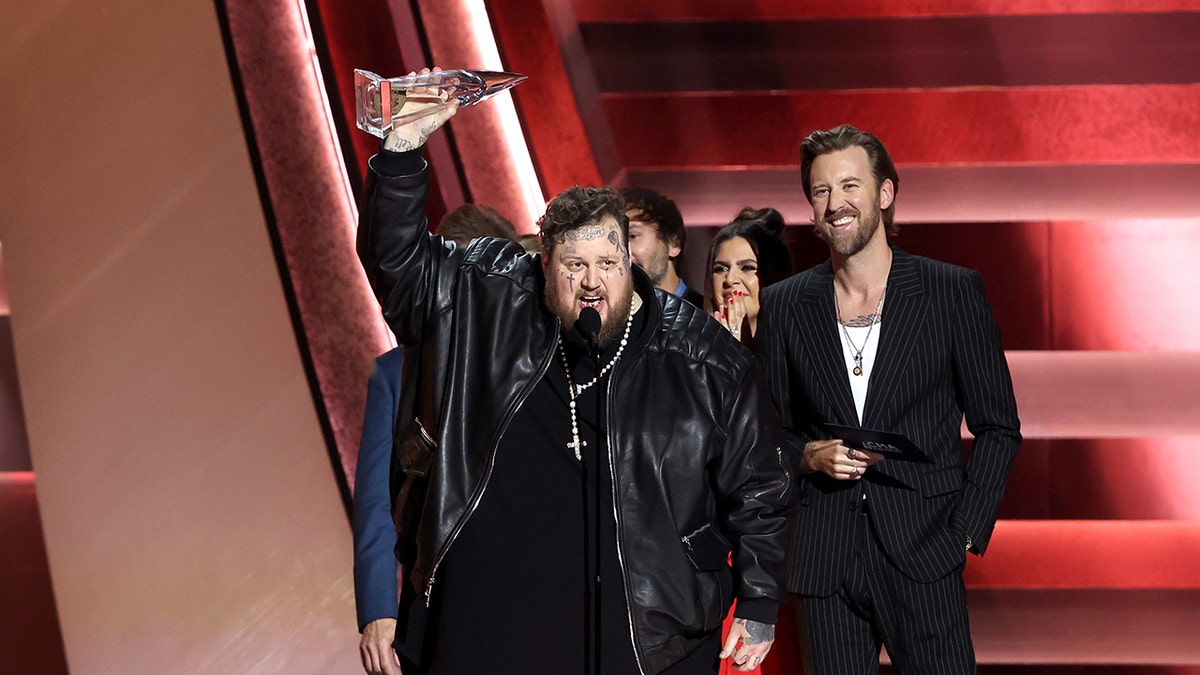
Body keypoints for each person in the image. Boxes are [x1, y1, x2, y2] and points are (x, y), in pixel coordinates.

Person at [356, 70, 791, 674]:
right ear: (542, 262)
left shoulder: (702, 357)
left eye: (608, 262)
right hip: (491, 627)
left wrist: (760, 599)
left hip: (647, 629)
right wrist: (401, 156)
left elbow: (760, 485)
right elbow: (399, 264)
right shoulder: (490, 304)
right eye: (573, 264)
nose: (592, 282)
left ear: (629, 260)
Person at [756, 124, 1021, 674]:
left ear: (884, 194)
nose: (836, 204)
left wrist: (966, 528)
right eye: (822, 191)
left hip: (925, 549)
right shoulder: (784, 305)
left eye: (850, 186)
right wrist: (809, 455)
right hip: (824, 561)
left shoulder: (951, 291)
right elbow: (767, 433)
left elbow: (999, 427)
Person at [353, 203, 520, 675]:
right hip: (440, 599)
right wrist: (379, 607)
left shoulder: (543, 363)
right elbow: (376, 500)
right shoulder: (396, 371)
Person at [705, 207, 792, 347]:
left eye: (747, 268)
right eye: (720, 269)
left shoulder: (795, 344)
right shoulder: (692, 347)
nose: (730, 279)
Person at [621, 187, 704, 307]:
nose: (622, 251)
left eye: (633, 236)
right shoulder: (611, 319)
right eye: (617, 240)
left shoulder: (707, 316)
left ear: (673, 243)